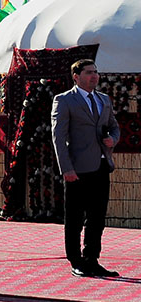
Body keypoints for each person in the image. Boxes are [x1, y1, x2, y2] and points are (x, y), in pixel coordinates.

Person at [51, 59, 120, 278]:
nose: (94, 76)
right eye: (89, 72)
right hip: (77, 169)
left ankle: (92, 258)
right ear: (76, 76)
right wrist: (66, 168)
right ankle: (76, 260)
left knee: (97, 217)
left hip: (101, 165)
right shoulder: (64, 100)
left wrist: (113, 139)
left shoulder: (103, 99)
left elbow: (114, 126)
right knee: (74, 218)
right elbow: (58, 137)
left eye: (96, 72)